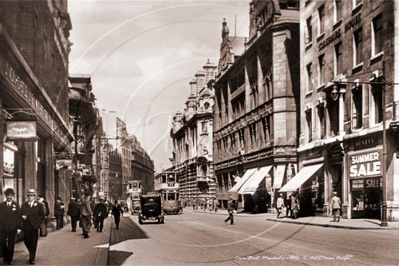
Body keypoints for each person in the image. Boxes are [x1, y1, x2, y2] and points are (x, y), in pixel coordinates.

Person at [21, 189, 45, 265]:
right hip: (26, 226)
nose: (30, 197)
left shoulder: (39, 205)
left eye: (31, 196)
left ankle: (32, 257)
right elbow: (21, 214)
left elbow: (42, 215)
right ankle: (31, 251)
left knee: (34, 242)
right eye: (29, 195)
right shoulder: (24, 205)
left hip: (34, 226)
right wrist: (22, 217)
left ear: (34, 197)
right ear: (27, 196)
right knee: (26, 240)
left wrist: (38, 224)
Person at [0, 188, 21, 265]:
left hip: (12, 228)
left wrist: (19, 228)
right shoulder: (1, 205)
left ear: (13, 196)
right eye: (8, 195)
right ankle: (6, 255)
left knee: (11, 244)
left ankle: (10, 259)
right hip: (3, 228)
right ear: (5, 196)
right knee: (2, 242)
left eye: (11, 195)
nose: (9, 197)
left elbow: (19, 217)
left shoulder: (16, 205)